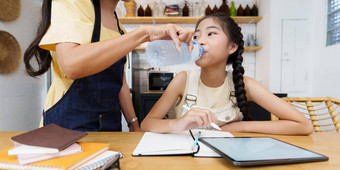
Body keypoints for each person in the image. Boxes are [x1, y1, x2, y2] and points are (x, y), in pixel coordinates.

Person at [23, 0, 194, 132]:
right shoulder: (74, 3)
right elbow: (71, 65)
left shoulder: (118, 27)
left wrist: (134, 125)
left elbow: (120, 82)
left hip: (110, 125)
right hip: (67, 124)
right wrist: (143, 34)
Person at [141, 13, 314, 135]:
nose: (199, 41)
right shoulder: (183, 80)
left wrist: (240, 127)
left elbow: (304, 126)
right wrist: (179, 123)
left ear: (231, 47)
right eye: (196, 36)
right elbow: (147, 124)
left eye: (211, 33)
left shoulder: (245, 84)